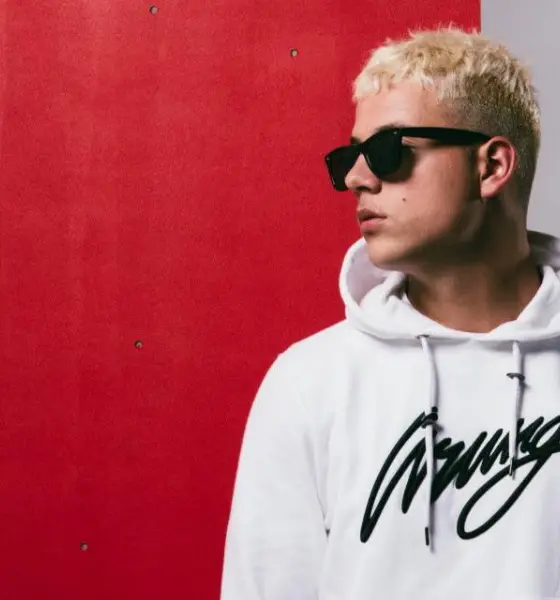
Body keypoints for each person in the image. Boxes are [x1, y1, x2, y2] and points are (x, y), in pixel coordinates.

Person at [220, 26, 560, 600]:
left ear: (491, 166)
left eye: (388, 151)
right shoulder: (310, 383)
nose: (357, 178)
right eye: (349, 157)